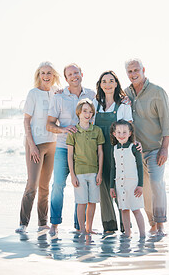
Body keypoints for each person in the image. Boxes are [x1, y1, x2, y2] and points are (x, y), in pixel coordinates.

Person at [124, 58, 169, 235]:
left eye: (136, 70)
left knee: (155, 183)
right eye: (129, 71)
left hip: (155, 149)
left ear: (143, 70)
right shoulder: (125, 94)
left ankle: (160, 224)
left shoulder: (157, 92)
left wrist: (165, 148)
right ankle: (152, 224)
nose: (133, 74)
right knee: (144, 190)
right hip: (136, 152)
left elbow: (167, 122)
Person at [47, 64, 95, 236]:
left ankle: (79, 225)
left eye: (76, 73)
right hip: (62, 148)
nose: (74, 76)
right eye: (70, 74)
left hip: (84, 150)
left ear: (82, 74)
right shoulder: (58, 97)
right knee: (58, 184)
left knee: (80, 185)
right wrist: (63, 129)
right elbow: (49, 124)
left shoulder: (91, 94)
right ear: (66, 79)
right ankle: (54, 223)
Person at [15, 61, 61, 234]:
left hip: (52, 143)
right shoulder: (33, 93)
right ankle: (23, 223)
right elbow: (26, 120)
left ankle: (43, 223)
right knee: (32, 184)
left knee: (45, 186)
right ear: (39, 75)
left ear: (54, 75)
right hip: (35, 144)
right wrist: (32, 146)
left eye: (49, 73)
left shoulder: (57, 92)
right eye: (43, 73)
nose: (46, 76)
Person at [93, 70, 133, 234]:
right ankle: (109, 226)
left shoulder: (123, 105)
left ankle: (126, 226)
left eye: (111, 81)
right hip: (99, 151)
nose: (107, 84)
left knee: (118, 187)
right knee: (103, 188)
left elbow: (129, 130)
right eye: (104, 81)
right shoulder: (95, 105)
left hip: (117, 152)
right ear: (100, 85)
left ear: (116, 84)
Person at [66, 99, 105, 234]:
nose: (87, 114)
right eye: (85, 111)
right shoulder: (73, 131)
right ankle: (82, 229)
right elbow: (70, 155)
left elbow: (100, 153)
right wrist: (72, 175)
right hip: (80, 172)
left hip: (94, 172)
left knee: (92, 202)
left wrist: (99, 173)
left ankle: (89, 228)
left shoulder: (97, 131)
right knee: (81, 202)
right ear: (79, 113)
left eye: (90, 112)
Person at [110, 119, 145, 238]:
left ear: (130, 133)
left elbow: (140, 166)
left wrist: (141, 185)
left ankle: (142, 235)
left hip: (133, 184)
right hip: (120, 184)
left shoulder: (134, 147)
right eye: (118, 132)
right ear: (114, 134)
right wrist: (111, 187)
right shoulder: (114, 149)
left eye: (124, 132)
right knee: (124, 209)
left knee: (136, 209)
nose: (121, 135)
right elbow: (113, 169)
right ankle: (127, 234)